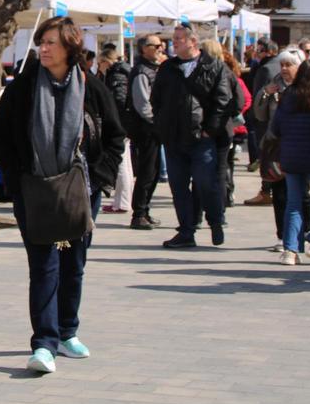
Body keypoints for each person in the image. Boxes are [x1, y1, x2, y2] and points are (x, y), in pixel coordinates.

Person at [0, 17, 125, 374]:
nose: (43, 49)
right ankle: (44, 343)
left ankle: (68, 331)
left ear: (70, 46)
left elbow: (114, 136)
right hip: (34, 188)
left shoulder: (91, 88)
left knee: (74, 263)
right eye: (41, 42)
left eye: (51, 42)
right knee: (44, 265)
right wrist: (16, 178)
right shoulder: (25, 86)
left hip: (81, 188)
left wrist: (98, 178)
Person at [151, 25, 233, 248]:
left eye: (178, 39)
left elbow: (223, 100)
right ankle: (186, 231)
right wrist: (161, 123)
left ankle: (215, 221)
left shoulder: (213, 66)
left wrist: (210, 129)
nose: (173, 43)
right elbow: (156, 98)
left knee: (206, 182)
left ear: (193, 42)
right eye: (173, 39)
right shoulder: (168, 68)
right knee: (178, 187)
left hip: (201, 138)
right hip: (173, 137)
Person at [269, 62, 310, 265]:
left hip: (290, 156)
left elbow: (276, 127)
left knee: (294, 203)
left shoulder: (287, 97)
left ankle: (290, 250)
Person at [253, 48, 310, 251]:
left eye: (289, 65)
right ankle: (282, 236)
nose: (285, 69)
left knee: (302, 192)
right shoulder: (274, 85)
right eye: (283, 65)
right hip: (276, 147)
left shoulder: (307, 87)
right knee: (279, 193)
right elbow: (260, 115)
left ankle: (305, 232)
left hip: (301, 146)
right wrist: (263, 94)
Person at [126, 35, 164, 230]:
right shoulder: (142, 71)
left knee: (155, 170)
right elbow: (142, 104)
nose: (160, 47)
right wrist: (155, 122)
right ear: (144, 49)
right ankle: (138, 213)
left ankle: (145, 210)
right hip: (145, 129)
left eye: (161, 44)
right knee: (147, 171)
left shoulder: (153, 69)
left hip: (153, 128)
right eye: (155, 45)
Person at [97, 44, 134, 214]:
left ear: (106, 61)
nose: (99, 67)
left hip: (120, 125)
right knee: (125, 164)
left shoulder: (116, 75)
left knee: (120, 164)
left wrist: (114, 121)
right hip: (126, 124)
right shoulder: (124, 72)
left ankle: (123, 202)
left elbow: (118, 101)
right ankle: (122, 201)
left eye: (100, 63)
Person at [244, 39, 280, 201]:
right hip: (277, 119)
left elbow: (257, 95)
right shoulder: (279, 65)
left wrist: (254, 117)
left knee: (265, 154)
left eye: (259, 51)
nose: (257, 54)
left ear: (269, 52)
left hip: (264, 119)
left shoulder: (265, 69)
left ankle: (266, 191)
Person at [217, 48, 251, 209]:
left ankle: (226, 194)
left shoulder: (233, 79)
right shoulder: (234, 78)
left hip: (231, 128)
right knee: (226, 163)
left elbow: (245, 100)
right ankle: (226, 194)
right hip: (230, 127)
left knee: (226, 163)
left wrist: (233, 115)